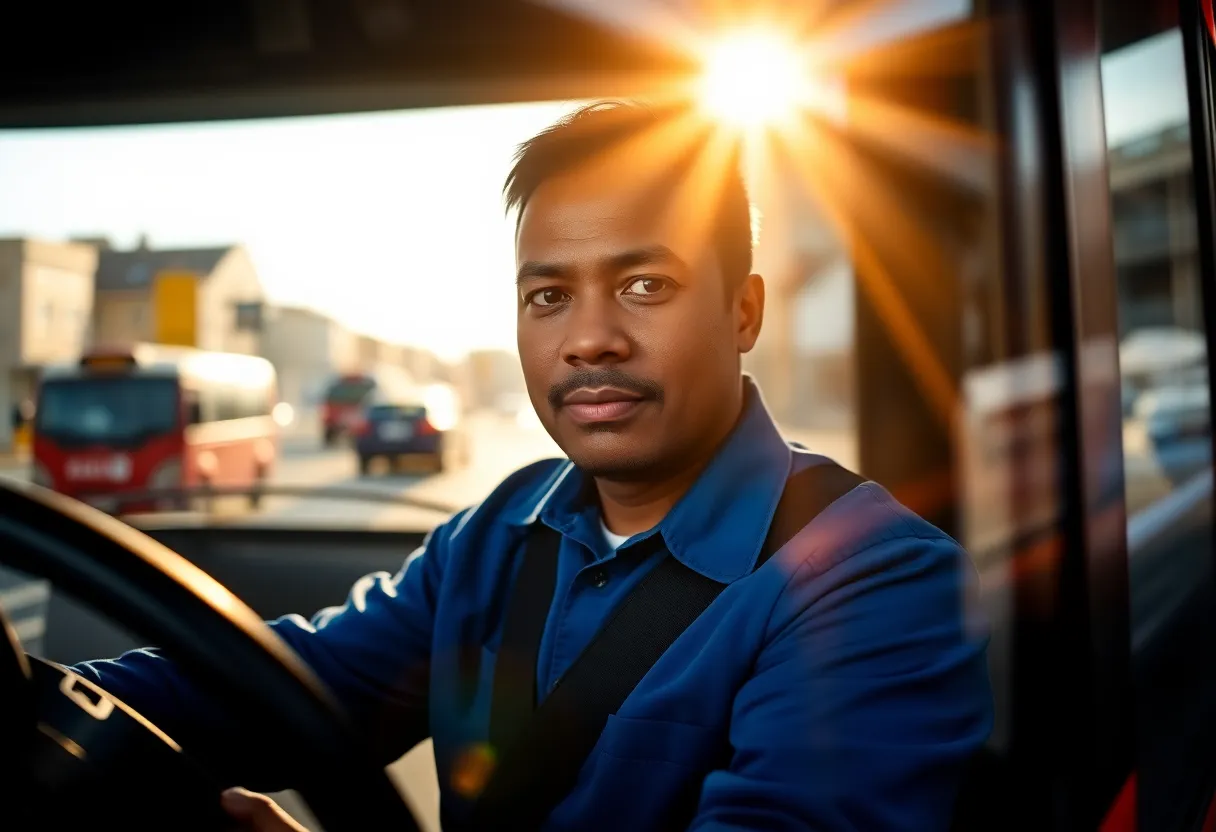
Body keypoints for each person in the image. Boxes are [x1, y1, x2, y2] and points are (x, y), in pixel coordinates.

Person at [74, 101, 993, 831]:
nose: (589, 339)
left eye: (645, 287)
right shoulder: (504, 531)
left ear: (743, 311)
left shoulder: (878, 581)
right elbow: (288, 685)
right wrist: (47, 694)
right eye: (548, 295)